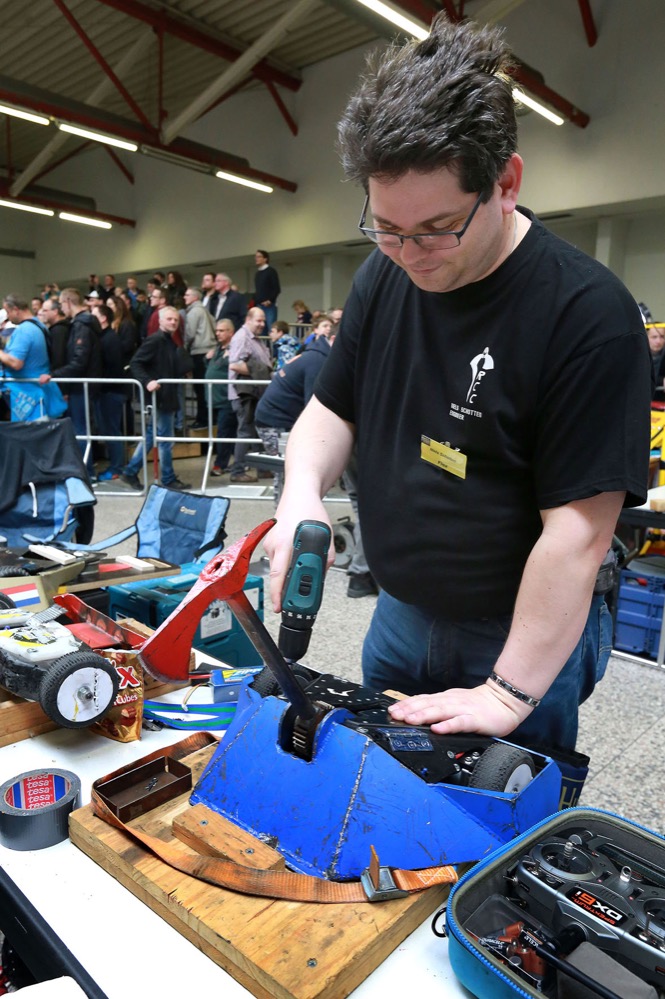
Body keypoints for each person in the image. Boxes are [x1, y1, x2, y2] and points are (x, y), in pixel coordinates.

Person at [264, 14, 652, 754]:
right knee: (383, 788)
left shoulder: (586, 315)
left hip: (521, 632)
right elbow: (330, 410)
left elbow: (578, 533)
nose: (409, 253)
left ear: (505, 184)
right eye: (386, 227)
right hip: (399, 610)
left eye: (436, 228)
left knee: (501, 805)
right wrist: (300, 494)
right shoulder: (383, 274)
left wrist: (506, 693)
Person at [255, 318, 335, 506]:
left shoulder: (315, 355)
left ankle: (287, 512)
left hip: (276, 417)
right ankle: (283, 514)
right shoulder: (318, 361)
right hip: (275, 419)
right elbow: (313, 404)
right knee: (287, 470)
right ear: (333, 339)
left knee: (290, 470)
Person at [121, 306, 190, 491]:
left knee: (153, 436)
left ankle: (131, 471)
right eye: (169, 319)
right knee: (164, 439)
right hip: (160, 396)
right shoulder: (156, 340)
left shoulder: (167, 341)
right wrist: (148, 381)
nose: (173, 322)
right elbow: (136, 363)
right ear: (160, 321)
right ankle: (167, 478)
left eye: (175, 320)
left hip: (164, 395)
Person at [40, 287, 103, 470]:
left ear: (68, 302)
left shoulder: (81, 326)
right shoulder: (82, 324)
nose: (61, 308)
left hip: (81, 386)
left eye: (61, 304)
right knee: (81, 429)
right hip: (83, 385)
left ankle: (85, 472)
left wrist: (53, 375)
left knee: (80, 430)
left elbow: (79, 361)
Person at [227, 306, 272, 484]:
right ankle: (238, 471)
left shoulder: (254, 339)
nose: (262, 324)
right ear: (248, 319)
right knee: (245, 431)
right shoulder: (242, 337)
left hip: (253, 393)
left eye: (263, 321)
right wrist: (263, 371)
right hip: (244, 394)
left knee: (255, 430)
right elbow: (235, 365)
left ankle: (262, 468)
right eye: (258, 320)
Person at [0, 294, 51, 421]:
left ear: (16, 310)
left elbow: (16, 363)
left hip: (27, 394)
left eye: (8, 312)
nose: (8, 317)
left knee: (30, 430)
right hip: (38, 389)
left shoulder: (24, 330)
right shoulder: (40, 325)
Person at [91, 304, 126, 480]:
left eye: (94, 315)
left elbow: (113, 367)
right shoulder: (104, 337)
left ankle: (116, 468)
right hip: (106, 390)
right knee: (108, 430)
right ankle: (115, 466)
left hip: (110, 391)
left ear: (103, 318)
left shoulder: (109, 339)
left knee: (111, 431)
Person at [205, 318, 238, 476]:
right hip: (214, 398)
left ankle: (220, 464)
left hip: (226, 398)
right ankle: (237, 462)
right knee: (226, 432)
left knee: (224, 432)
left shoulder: (235, 350)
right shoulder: (218, 349)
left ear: (231, 332)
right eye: (217, 330)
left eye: (222, 330)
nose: (217, 333)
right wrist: (207, 359)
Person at [183, 286, 216, 427]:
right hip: (210, 351)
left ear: (195, 297)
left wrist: (183, 349)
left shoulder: (193, 312)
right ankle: (209, 419)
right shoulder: (206, 310)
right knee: (206, 390)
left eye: (187, 295)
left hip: (198, 352)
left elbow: (189, 334)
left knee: (200, 390)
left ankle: (202, 420)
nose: (184, 297)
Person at [254, 250, 281, 329]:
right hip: (259, 305)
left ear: (265, 259)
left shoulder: (271, 271)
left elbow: (276, 288)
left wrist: (270, 301)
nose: (256, 258)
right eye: (256, 257)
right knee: (260, 329)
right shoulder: (257, 274)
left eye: (259, 257)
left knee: (271, 328)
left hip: (269, 306)